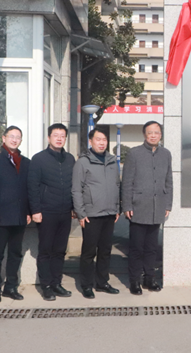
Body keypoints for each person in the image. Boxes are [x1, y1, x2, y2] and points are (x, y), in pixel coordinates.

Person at [121, 121, 172, 295]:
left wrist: (168, 204)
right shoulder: (134, 153)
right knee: (136, 248)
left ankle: (150, 278)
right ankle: (134, 280)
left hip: (157, 207)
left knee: (152, 247)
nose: (153, 135)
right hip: (138, 207)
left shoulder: (166, 154)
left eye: (156, 132)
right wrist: (127, 205)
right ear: (144, 134)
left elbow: (169, 181)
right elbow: (127, 182)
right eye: (150, 132)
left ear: (161, 135)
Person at [28, 123, 76, 301]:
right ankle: (46, 286)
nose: (59, 139)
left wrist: (74, 208)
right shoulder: (39, 159)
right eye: (56, 135)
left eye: (62, 136)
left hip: (65, 212)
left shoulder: (70, 159)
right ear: (48, 138)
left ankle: (57, 283)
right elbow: (32, 187)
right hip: (46, 211)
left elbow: (73, 185)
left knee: (60, 250)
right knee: (46, 250)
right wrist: (35, 210)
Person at [0, 126, 31, 303]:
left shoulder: (26, 162)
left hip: (20, 215)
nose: (14, 139)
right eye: (11, 136)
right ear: (4, 138)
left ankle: (11, 287)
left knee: (15, 253)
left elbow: (29, 189)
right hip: (1, 216)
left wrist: (29, 211)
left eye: (18, 137)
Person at [72, 127, 121, 299]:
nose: (101, 143)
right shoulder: (83, 162)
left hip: (109, 213)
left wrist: (117, 208)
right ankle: (86, 285)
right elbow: (76, 190)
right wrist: (81, 213)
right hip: (91, 214)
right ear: (90, 141)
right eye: (98, 139)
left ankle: (102, 282)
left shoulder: (112, 161)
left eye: (104, 140)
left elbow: (117, 185)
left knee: (105, 250)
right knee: (89, 252)